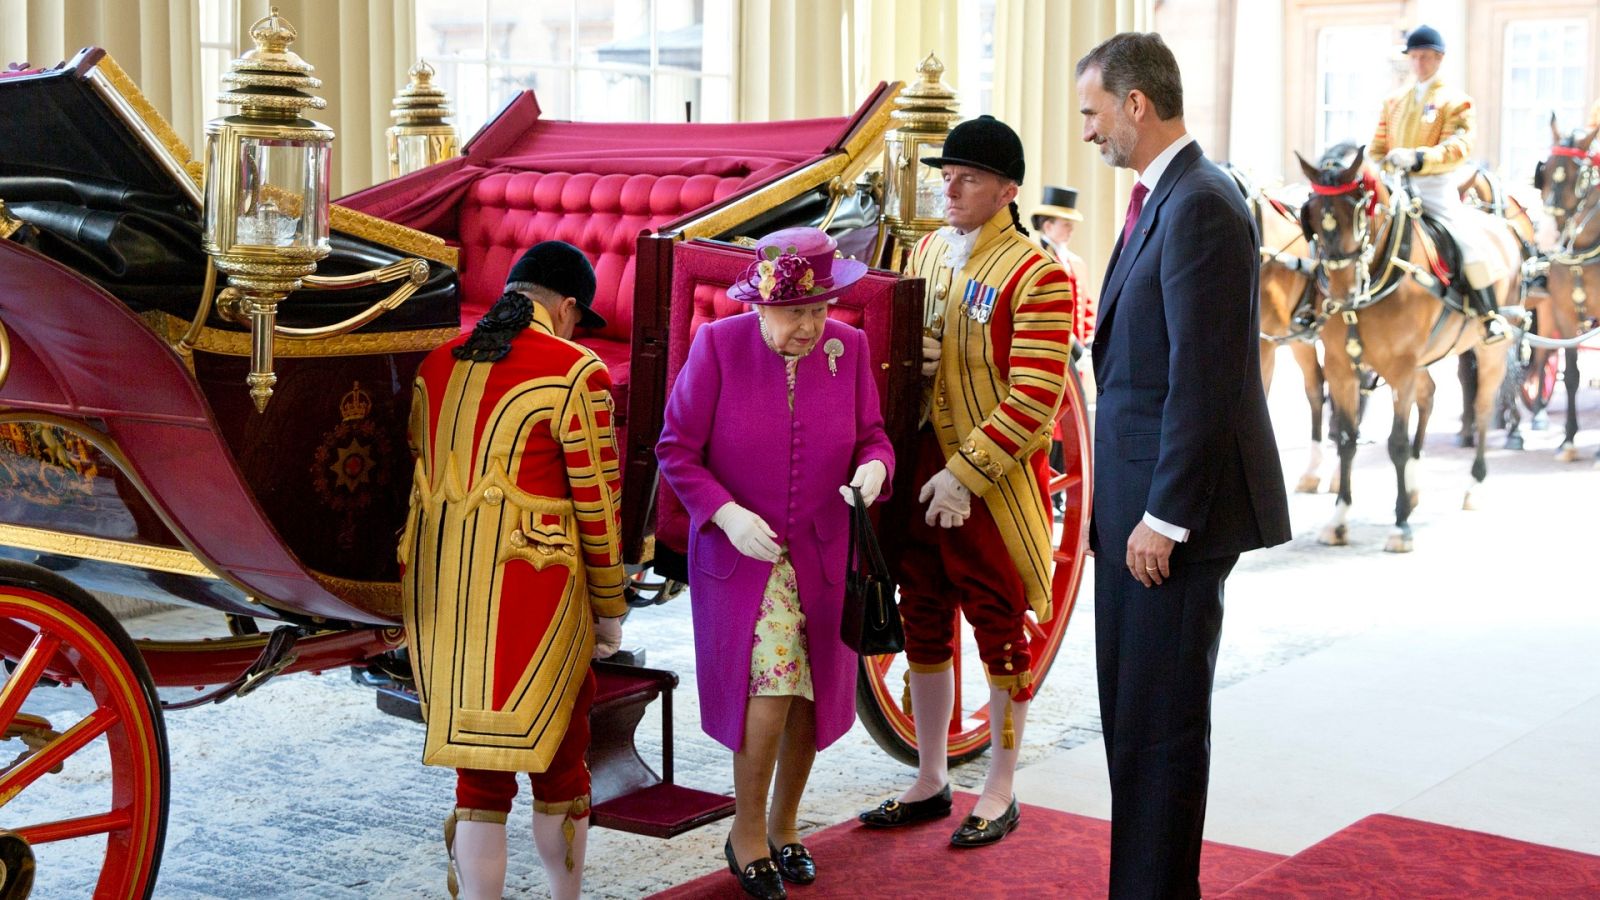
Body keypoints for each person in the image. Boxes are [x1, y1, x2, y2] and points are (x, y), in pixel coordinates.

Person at [1077, 33, 1292, 899]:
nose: (1087, 132)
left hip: (1170, 520)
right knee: (1133, 726)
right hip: (1137, 510)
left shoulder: (1201, 200)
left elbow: (1204, 378)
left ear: (1135, 104)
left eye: (1093, 113)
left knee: (1159, 732)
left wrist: (1163, 519)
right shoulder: (1160, 198)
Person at [857, 115, 1076, 848]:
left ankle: (1002, 784)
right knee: (920, 609)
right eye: (945, 175)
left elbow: (1037, 396)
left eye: (969, 178)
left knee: (997, 624)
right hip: (920, 468)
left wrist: (968, 472)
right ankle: (929, 777)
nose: (950, 188)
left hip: (987, 481)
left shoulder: (1036, 273)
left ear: (1007, 190)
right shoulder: (924, 250)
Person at [656, 226, 893, 900]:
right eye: (796, 313)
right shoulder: (717, 347)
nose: (812, 328)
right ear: (761, 305)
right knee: (768, 692)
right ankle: (747, 832)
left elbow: (873, 437)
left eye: (821, 311)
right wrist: (725, 514)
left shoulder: (851, 349)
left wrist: (875, 469)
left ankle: (787, 828)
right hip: (743, 560)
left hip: (822, 555)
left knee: (809, 699)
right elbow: (676, 448)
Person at [399, 241, 627, 900]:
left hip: (444, 605)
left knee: (478, 782)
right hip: (538, 601)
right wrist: (609, 606)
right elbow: (598, 506)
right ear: (567, 307)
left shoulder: (434, 365)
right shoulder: (576, 371)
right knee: (561, 766)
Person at [1368, 24, 1508, 342]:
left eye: (1425, 57)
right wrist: (1382, 162)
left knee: (1466, 241)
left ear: (1439, 59)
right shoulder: (1393, 101)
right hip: (1394, 185)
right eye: (1414, 57)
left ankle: (1489, 315)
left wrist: (1419, 158)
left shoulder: (1455, 102)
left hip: (1434, 187)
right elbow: (1377, 145)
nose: (1418, 63)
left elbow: (1460, 146)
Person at [1032, 185, 1096, 345]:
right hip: (1049, 348)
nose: (1072, 229)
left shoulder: (1076, 263)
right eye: (1066, 224)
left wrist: (1088, 343)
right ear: (1048, 226)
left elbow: (1086, 309)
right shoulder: (1036, 260)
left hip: (1076, 356)